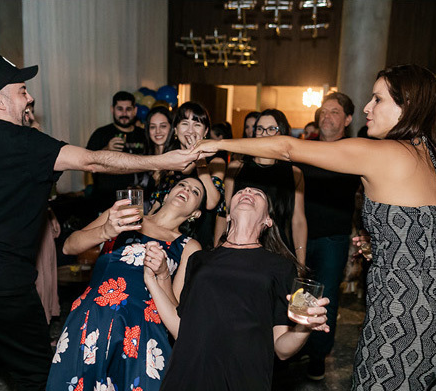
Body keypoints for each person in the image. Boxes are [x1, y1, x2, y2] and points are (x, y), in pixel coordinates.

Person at [192, 64, 436, 391]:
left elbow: (287, 148)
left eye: (377, 99)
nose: (368, 109)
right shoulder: (435, 158)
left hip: (409, 315)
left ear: (409, 105)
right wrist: (392, 247)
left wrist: (212, 145)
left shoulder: (383, 153)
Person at [0, 54, 198, 391]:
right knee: (39, 379)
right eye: (22, 90)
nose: (30, 97)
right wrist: (162, 159)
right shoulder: (23, 142)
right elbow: (93, 159)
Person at [148, 186, 330, 391]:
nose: (248, 191)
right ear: (228, 215)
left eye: (258, 194)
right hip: (188, 375)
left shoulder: (280, 267)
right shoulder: (199, 259)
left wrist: (304, 328)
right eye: (241, 190)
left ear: (268, 221)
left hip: (243, 379)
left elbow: (281, 349)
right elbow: (182, 328)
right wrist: (154, 279)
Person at [45, 179, 207, 391]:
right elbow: (69, 245)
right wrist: (106, 230)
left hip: (142, 330)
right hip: (95, 316)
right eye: (182, 185)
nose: (186, 190)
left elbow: (175, 308)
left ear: (195, 213)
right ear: (166, 195)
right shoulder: (126, 214)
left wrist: (163, 274)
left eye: (195, 191)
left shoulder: (188, 246)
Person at [296, 91, 365, 380]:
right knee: (298, 292)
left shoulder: (354, 151)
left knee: (326, 298)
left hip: (333, 239)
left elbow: (367, 193)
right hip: (299, 232)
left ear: (348, 119)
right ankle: (295, 346)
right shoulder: (305, 148)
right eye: (323, 111)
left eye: (334, 111)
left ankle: (317, 354)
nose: (326, 116)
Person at [224, 109, 308, 263]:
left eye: (271, 129)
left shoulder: (294, 173)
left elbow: (298, 221)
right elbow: (225, 214)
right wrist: (219, 249)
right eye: (260, 129)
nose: (264, 134)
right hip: (239, 249)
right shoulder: (236, 168)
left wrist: (300, 262)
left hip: (279, 251)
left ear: (282, 133)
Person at [150, 102, 226, 248]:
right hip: (161, 239)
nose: (190, 131)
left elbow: (211, 202)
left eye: (197, 125)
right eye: (185, 123)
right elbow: (156, 207)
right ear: (176, 130)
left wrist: (199, 159)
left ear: (205, 132)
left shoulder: (216, 162)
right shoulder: (167, 162)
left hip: (198, 243)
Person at [86, 91, 151, 213]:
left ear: (135, 110)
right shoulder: (101, 134)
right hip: (106, 203)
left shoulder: (145, 135)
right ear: (112, 109)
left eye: (128, 109)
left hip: (139, 203)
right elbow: (86, 164)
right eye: (120, 109)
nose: (124, 114)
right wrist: (106, 150)